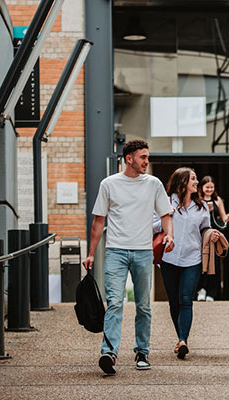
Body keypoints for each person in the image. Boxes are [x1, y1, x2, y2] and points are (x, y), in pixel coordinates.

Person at [83, 139, 174, 376]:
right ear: (129, 159)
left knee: (143, 305)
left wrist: (169, 236)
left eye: (147, 156)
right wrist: (91, 253)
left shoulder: (153, 184)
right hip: (115, 251)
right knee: (114, 302)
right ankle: (109, 353)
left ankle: (142, 351)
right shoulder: (109, 184)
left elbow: (165, 214)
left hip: (144, 251)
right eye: (143, 157)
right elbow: (98, 221)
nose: (147, 161)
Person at [161, 167, 219, 360]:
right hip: (169, 259)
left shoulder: (202, 207)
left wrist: (212, 234)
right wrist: (167, 216)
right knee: (174, 301)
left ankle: (183, 339)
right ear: (182, 182)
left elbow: (205, 229)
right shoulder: (166, 203)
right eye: (193, 179)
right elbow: (153, 225)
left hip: (192, 259)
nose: (197, 182)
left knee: (186, 299)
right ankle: (180, 338)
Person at [196, 176, 229, 302]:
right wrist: (207, 209)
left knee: (214, 263)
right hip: (201, 234)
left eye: (212, 187)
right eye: (207, 187)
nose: (210, 190)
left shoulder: (217, 200)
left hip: (215, 234)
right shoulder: (198, 200)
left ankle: (212, 291)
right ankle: (201, 289)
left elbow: (223, 217)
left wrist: (227, 217)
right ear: (202, 187)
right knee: (202, 262)